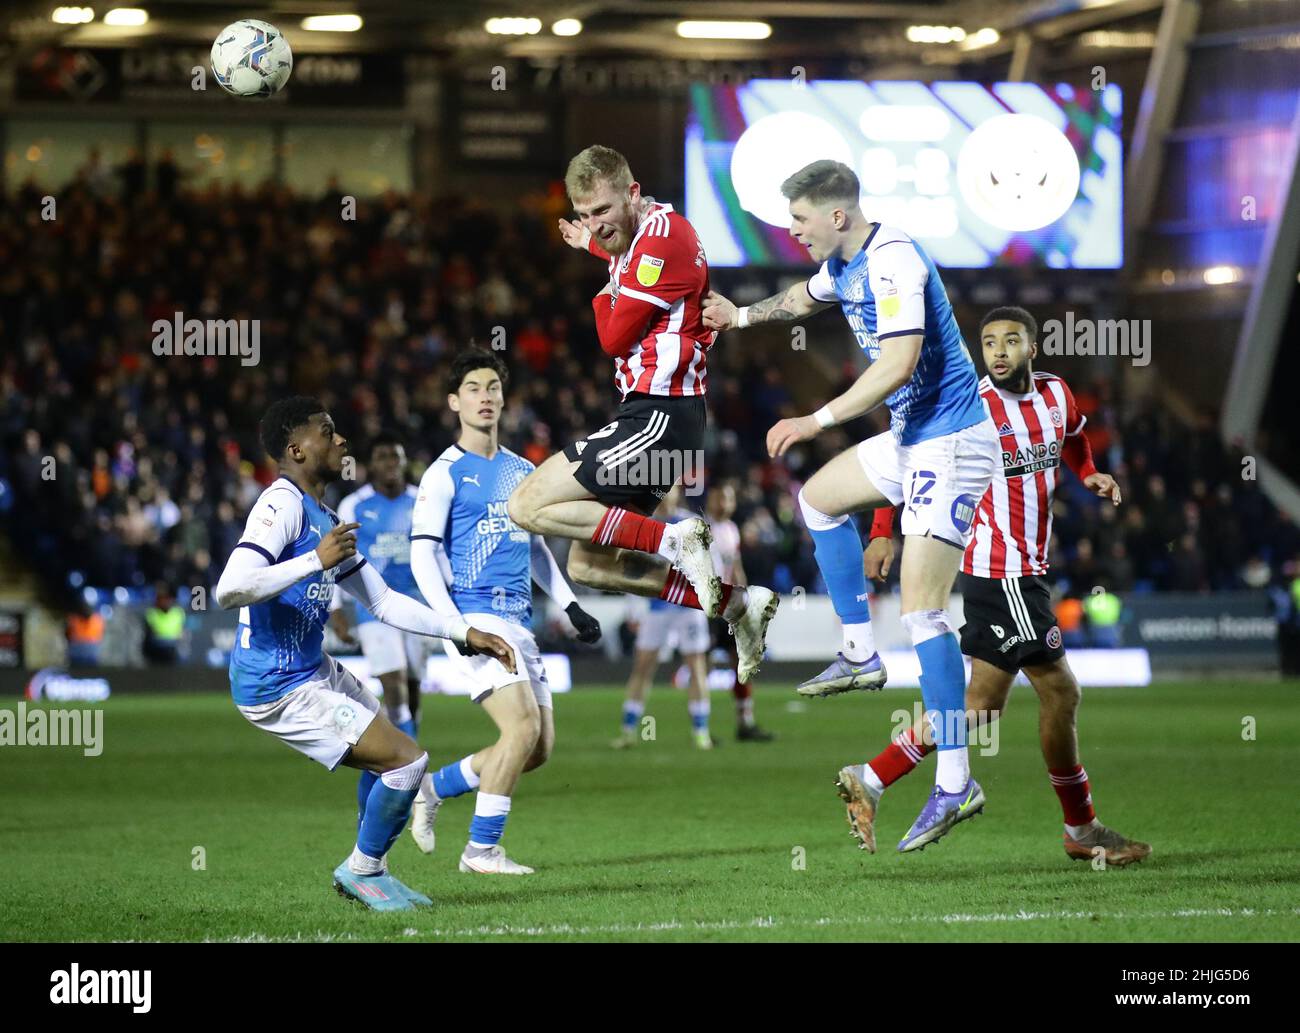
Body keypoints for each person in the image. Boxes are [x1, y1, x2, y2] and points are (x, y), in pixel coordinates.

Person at [703, 159, 999, 852]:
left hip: (952, 442)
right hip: (913, 439)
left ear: (836, 215)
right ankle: (861, 650)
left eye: (799, 220)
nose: (792, 232)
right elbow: (802, 300)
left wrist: (816, 419)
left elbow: (898, 364)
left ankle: (956, 779)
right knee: (818, 499)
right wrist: (739, 315)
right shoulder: (845, 264)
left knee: (924, 609)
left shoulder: (893, 262)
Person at [846, 306, 1150, 866]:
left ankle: (873, 776)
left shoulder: (1058, 394)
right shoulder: (971, 408)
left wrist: (1089, 474)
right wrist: (882, 532)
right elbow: (907, 459)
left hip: (1026, 572)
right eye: (989, 343)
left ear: (1032, 348)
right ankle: (1081, 830)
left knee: (980, 709)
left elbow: (1075, 439)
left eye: (1011, 341)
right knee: (1062, 692)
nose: (1000, 351)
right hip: (999, 572)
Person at [215, 396, 515, 910]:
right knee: (409, 761)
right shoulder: (280, 504)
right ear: (295, 448)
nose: (341, 440)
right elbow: (230, 588)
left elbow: (383, 601)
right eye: (327, 432)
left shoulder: (325, 515)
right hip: (276, 684)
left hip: (311, 668)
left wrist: (461, 632)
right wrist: (312, 560)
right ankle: (362, 870)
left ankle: (369, 868)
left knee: (395, 760)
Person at [507, 144, 777, 686]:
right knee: (589, 565)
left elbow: (611, 335)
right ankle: (737, 604)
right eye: (584, 215)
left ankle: (674, 540)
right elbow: (625, 264)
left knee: (526, 505)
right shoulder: (642, 238)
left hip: (659, 418)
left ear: (633, 194)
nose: (594, 225)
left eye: (602, 211)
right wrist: (600, 251)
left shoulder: (665, 239)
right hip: (663, 421)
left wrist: (604, 293)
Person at [408, 349, 602, 875]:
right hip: (477, 619)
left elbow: (536, 547)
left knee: (535, 749)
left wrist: (570, 605)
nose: (485, 396)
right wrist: (453, 625)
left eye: (492, 386)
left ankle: (432, 787)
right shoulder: (444, 473)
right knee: (519, 730)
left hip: (519, 621)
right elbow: (422, 553)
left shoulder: (523, 470)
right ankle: (481, 850)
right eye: (473, 387)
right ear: (454, 402)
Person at [329, 432, 431, 830]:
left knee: (414, 688)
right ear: (370, 464)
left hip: (417, 606)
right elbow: (338, 557)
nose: (391, 464)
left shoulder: (421, 499)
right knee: (394, 687)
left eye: (397, 457)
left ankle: (404, 757)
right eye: (384, 457)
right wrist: (338, 609)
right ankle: (410, 776)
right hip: (375, 609)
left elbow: (435, 550)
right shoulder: (354, 505)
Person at [613, 486, 718, 750]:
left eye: (670, 488)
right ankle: (627, 730)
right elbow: (630, 567)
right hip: (656, 607)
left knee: (696, 667)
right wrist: (633, 609)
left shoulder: (690, 522)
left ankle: (701, 732)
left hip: (687, 607)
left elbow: (708, 562)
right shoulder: (643, 523)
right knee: (643, 667)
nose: (665, 493)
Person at [705, 481, 774, 742]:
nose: (725, 504)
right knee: (704, 666)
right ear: (711, 500)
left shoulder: (732, 529)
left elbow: (736, 566)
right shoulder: (702, 527)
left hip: (731, 607)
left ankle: (745, 722)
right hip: (706, 607)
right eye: (720, 498)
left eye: (729, 499)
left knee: (742, 662)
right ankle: (701, 727)